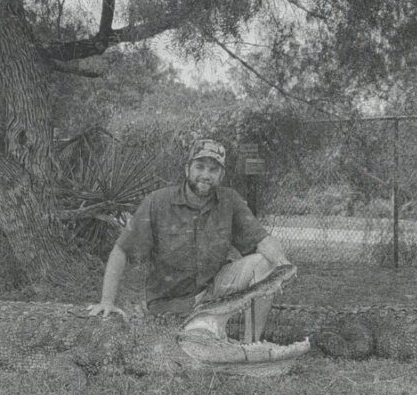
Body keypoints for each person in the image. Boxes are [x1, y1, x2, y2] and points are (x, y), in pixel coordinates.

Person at [88, 138, 291, 342]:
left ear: (221, 175)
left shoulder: (229, 200)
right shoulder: (158, 201)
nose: (206, 175)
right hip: (169, 303)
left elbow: (262, 240)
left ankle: (251, 346)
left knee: (265, 263)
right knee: (192, 345)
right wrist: (107, 301)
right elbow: (121, 249)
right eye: (200, 167)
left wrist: (283, 265)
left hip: (214, 293)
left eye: (213, 170)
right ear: (187, 169)